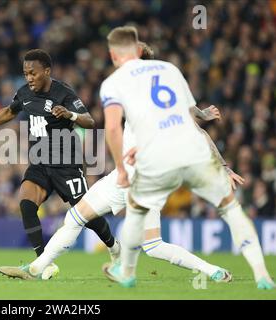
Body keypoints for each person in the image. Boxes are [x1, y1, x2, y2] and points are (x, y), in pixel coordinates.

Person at [0, 42, 238, 283]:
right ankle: (212, 270)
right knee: (149, 244)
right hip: (142, 181)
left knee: (80, 219)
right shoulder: (161, 96)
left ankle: (38, 268)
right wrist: (218, 154)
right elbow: (195, 124)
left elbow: (109, 126)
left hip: (133, 178)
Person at [99, 26, 274, 289]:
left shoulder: (127, 92)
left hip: (154, 167)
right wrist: (222, 165)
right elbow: (196, 126)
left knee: (130, 217)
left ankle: (126, 270)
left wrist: (127, 163)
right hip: (191, 159)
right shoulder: (169, 74)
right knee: (230, 211)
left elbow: (114, 128)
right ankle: (260, 274)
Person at [0, 49, 120, 279]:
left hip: (66, 164)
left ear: (47, 71)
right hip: (40, 162)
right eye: (25, 73)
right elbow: (10, 111)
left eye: (33, 73)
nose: (29, 78)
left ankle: (114, 247)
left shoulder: (63, 93)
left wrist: (70, 115)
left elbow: (89, 121)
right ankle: (44, 262)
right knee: (27, 204)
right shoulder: (25, 93)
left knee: (86, 215)